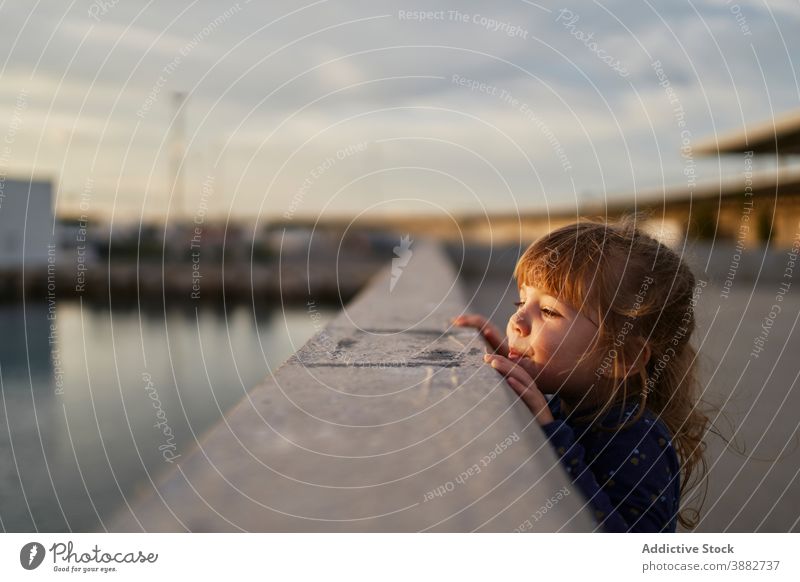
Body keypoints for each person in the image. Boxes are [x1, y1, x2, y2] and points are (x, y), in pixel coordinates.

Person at [453, 215, 709, 532]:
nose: (517, 320)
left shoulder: (638, 438)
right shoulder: (574, 401)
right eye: (521, 301)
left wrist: (551, 433)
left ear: (622, 356)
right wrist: (513, 357)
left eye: (548, 311)